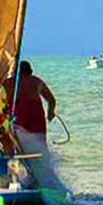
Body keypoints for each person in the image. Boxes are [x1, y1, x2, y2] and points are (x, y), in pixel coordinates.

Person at [10, 61, 65, 191]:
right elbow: (51, 100)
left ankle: (23, 178)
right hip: (36, 116)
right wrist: (50, 113)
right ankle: (42, 178)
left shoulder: (10, 82)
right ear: (30, 71)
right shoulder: (37, 81)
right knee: (41, 147)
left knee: (17, 147)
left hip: (20, 115)